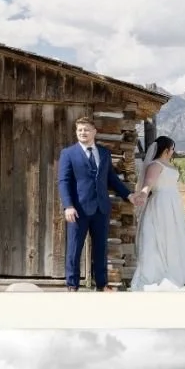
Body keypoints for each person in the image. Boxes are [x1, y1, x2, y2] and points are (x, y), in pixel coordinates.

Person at [57, 116, 145, 291]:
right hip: (78, 210)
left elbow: (111, 179)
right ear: (76, 132)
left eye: (86, 129)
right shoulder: (68, 153)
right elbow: (63, 181)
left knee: (101, 248)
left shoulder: (104, 153)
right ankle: (72, 286)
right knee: (74, 249)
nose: (83, 133)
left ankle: (102, 285)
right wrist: (68, 205)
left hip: (101, 209)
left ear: (94, 132)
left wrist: (129, 195)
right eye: (80, 130)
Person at [130, 135, 185, 291]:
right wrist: (142, 194)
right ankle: (154, 273)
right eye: (172, 149)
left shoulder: (168, 165)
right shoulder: (155, 165)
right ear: (166, 149)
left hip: (173, 204)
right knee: (158, 237)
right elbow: (148, 184)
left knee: (172, 237)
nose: (173, 152)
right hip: (161, 203)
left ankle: (173, 271)